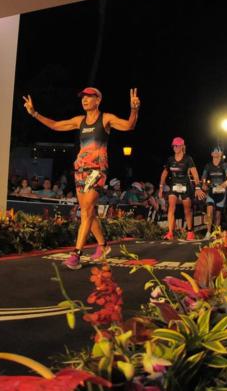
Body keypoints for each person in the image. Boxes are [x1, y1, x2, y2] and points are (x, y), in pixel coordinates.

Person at [23, 87, 140, 270]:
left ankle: (76, 255)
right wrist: (34, 113)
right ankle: (103, 246)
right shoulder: (80, 121)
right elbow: (56, 125)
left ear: (98, 100)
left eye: (89, 97)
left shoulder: (106, 118)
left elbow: (129, 126)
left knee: (86, 211)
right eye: (83, 97)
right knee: (88, 211)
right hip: (81, 171)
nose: (84, 100)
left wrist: (134, 109)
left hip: (97, 170)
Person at [159, 137, 204, 240]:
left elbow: (195, 174)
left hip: (185, 186)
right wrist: (161, 186)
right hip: (174, 185)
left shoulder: (188, 159)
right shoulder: (170, 159)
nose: (175, 148)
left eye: (177, 146)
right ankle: (170, 232)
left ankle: (190, 231)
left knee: (187, 210)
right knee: (171, 207)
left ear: (182, 146)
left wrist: (198, 187)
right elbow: (164, 173)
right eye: (173, 146)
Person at [202, 146, 227, 232]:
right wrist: (204, 184)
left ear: (221, 154)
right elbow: (204, 177)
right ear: (211, 154)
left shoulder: (225, 165)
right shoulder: (208, 165)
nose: (217, 152)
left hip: (221, 193)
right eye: (215, 151)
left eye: (219, 151)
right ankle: (208, 232)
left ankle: (215, 233)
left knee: (217, 214)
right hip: (211, 191)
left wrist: (226, 182)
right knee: (209, 212)